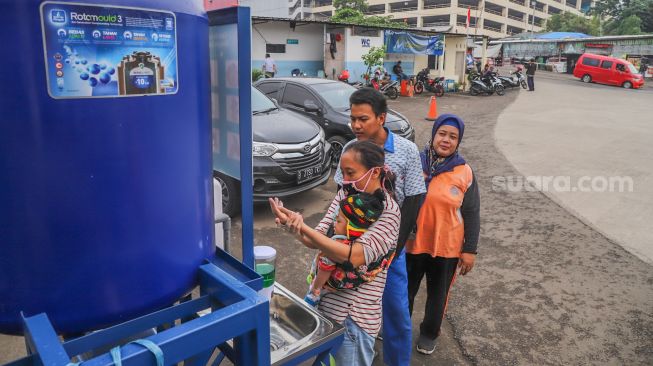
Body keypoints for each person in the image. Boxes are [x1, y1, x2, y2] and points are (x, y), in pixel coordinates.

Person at [270, 140, 400, 366]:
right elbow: (316, 239)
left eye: (351, 173)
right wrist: (291, 223)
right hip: (326, 306)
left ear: (376, 172)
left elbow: (353, 255)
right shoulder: (345, 196)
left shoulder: (389, 212)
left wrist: (304, 228)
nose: (345, 180)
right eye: (343, 173)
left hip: (354, 318)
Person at [334, 88, 426, 366]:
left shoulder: (406, 150)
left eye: (363, 119)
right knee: (350, 308)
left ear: (382, 118)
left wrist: (393, 250)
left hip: (390, 250)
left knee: (396, 312)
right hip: (353, 248)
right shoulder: (350, 150)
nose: (356, 125)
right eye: (353, 119)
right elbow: (341, 193)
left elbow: (414, 198)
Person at [406, 114, 480, 355]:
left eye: (453, 137)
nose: (446, 140)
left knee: (438, 295)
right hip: (411, 243)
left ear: (458, 142)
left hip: (447, 246)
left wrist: (469, 250)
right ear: (434, 134)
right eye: (442, 134)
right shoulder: (415, 162)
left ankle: (429, 333)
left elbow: (471, 212)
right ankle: (398, 326)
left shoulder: (464, 171)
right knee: (403, 290)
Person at [304, 191, 385, 306]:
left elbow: (325, 268)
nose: (334, 224)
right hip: (353, 290)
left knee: (308, 309)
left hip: (323, 290)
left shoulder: (338, 246)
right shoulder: (360, 243)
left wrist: (315, 288)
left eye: (338, 221)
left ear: (351, 227)